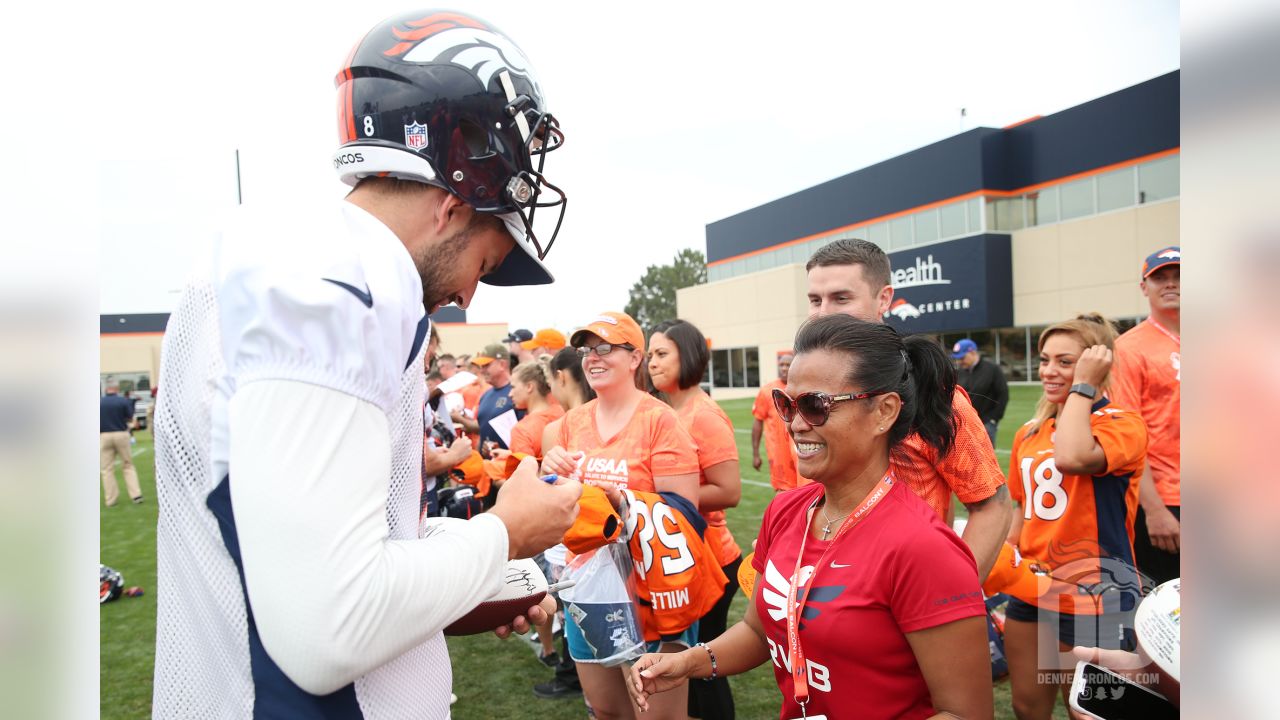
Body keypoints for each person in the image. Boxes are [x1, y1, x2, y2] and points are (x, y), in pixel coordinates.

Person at [150, 10, 581, 718]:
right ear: (452, 201)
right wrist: (505, 533)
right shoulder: (341, 282)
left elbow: (311, 552)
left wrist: (470, 570)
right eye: (486, 260)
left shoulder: (297, 259)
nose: (468, 293)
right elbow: (329, 627)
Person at [628, 315, 993, 720]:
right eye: (787, 404)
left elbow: (965, 712)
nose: (796, 424)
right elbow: (757, 630)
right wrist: (689, 663)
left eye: (815, 405)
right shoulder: (785, 511)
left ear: (884, 412)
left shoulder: (924, 548)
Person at [805, 238, 1011, 580]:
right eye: (815, 300)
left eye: (841, 298)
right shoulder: (802, 394)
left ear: (884, 298)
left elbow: (993, 506)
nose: (823, 313)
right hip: (825, 594)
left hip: (904, 595)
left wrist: (948, 599)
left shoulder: (932, 394)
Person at [540, 311, 702, 720]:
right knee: (606, 710)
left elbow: (686, 517)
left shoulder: (659, 420)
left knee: (658, 717)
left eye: (606, 347)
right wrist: (549, 474)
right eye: (587, 349)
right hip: (585, 589)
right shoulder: (570, 423)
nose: (593, 357)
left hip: (651, 592)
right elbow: (551, 507)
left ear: (635, 358)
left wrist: (622, 502)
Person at [1003, 314, 1148, 720]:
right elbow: (1022, 508)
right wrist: (1005, 562)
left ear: (1096, 365)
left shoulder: (1124, 424)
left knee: (1085, 709)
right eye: (1045, 359)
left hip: (1095, 593)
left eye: (1065, 362)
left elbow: (1071, 456)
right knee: (1026, 705)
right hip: (1031, 584)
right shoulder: (1030, 432)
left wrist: (1083, 387)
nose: (1049, 370)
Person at [647, 319, 743, 720]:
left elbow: (729, 490)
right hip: (682, 558)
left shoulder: (703, 415)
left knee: (705, 666)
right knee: (687, 667)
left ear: (688, 356)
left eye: (661, 354)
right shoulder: (667, 410)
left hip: (712, 559)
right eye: (650, 354)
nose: (651, 363)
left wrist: (658, 496)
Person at [1110, 246, 1180, 588]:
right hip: (1166, 501)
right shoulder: (1129, 348)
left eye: (1179, 276)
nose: (1171, 284)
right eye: (1160, 278)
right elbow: (1129, 438)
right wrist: (1153, 510)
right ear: (1144, 287)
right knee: (1167, 608)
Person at [532, 346, 598, 701]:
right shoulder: (596, 421)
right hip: (602, 548)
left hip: (572, 548)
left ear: (560, 378)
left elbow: (549, 497)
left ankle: (575, 681)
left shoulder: (557, 428)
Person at [751, 351, 806, 492]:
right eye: (781, 365)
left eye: (788, 365)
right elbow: (757, 421)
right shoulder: (767, 391)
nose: (784, 368)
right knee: (783, 495)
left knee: (806, 493)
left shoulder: (805, 389)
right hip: (779, 456)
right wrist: (756, 453)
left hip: (802, 453)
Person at [459, 343, 523, 455]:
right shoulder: (485, 395)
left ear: (502, 364)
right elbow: (482, 430)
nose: (482, 370)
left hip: (511, 465)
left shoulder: (517, 393)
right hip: (489, 466)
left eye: (486, 365)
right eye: (481, 366)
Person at [952, 338, 1009, 448]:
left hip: (986, 424)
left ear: (973, 353)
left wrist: (993, 419)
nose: (959, 361)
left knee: (986, 460)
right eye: (957, 359)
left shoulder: (992, 370)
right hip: (964, 424)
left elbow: (1003, 395)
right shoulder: (959, 373)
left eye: (962, 358)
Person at [100, 382, 142, 506]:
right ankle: (136, 495)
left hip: (104, 435)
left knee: (107, 469)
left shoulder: (99, 402)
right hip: (121, 433)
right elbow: (129, 418)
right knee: (128, 465)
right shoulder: (122, 401)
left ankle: (110, 499)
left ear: (106, 389)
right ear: (116, 389)